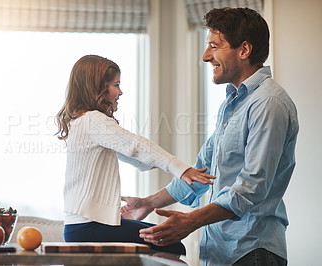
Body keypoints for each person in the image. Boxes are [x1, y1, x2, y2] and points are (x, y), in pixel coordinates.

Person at [121, 7, 298, 265]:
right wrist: (148, 203)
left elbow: (252, 188)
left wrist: (191, 221)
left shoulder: (268, 103)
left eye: (214, 46)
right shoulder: (233, 103)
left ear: (244, 50)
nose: (206, 57)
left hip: (253, 251)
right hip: (221, 252)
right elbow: (202, 173)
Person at [55, 54, 216, 255]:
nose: (120, 91)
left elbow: (135, 156)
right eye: (116, 85)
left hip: (79, 227)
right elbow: (135, 146)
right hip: (91, 226)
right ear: (98, 88)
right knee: (172, 244)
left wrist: (156, 161)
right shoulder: (94, 120)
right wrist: (180, 169)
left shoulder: (81, 122)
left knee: (169, 245)